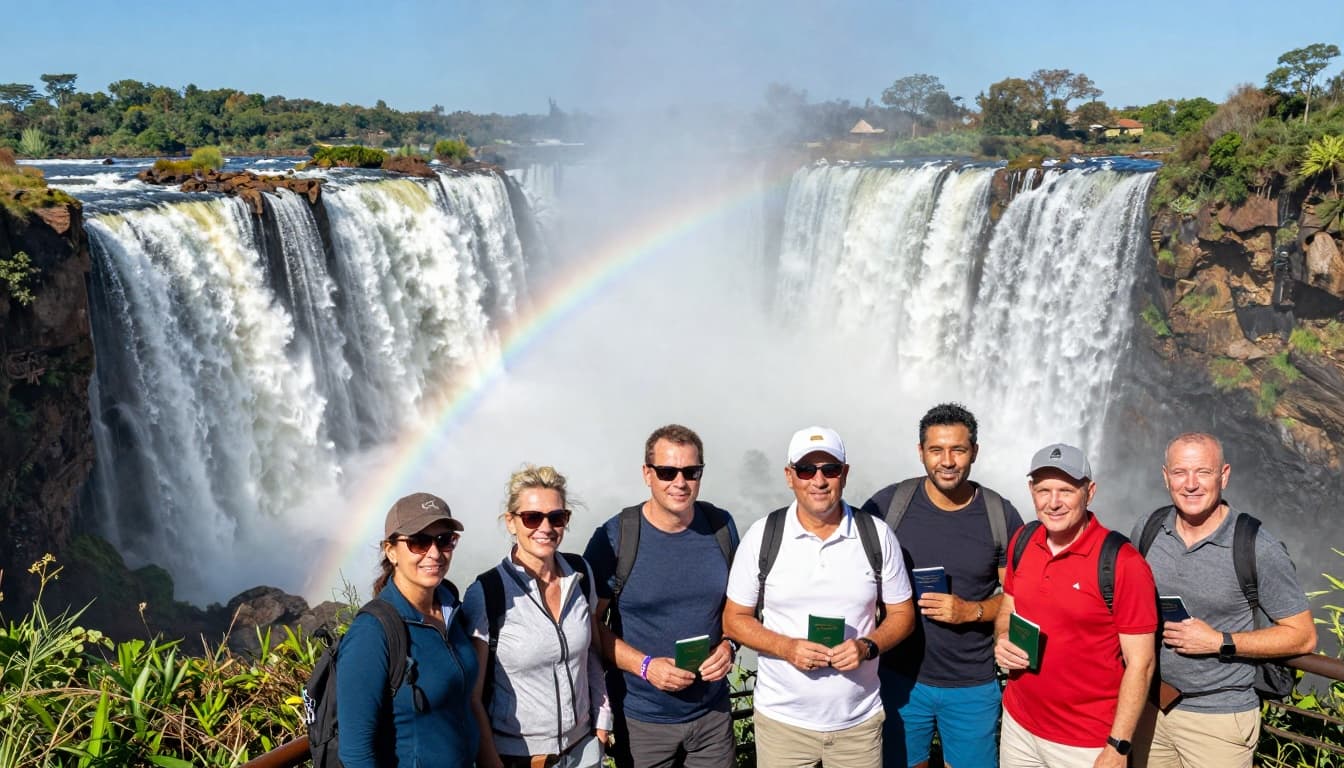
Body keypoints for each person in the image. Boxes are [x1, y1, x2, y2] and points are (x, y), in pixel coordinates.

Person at [723, 426, 915, 768]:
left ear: (845, 473)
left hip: (858, 724)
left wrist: (866, 647)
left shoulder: (876, 535)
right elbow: (734, 619)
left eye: (830, 469)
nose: (819, 480)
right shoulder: (763, 536)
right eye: (806, 470)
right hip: (782, 725)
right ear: (789, 476)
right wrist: (786, 647)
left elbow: (903, 615)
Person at [1129, 433, 1316, 768]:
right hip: (1150, 709)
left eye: (1203, 472)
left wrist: (1220, 641)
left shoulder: (1256, 546)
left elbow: (1303, 635)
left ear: (1224, 475)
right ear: (1165, 476)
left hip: (1218, 720)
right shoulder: (1149, 529)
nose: (1190, 484)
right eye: (1179, 472)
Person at [861, 403, 1023, 768]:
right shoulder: (887, 507)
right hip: (898, 678)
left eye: (958, 450)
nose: (947, 461)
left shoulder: (1000, 515)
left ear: (975, 452)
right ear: (921, 452)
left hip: (972, 683)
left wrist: (972, 611)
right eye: (936, 450)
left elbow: (1017, 596)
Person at [583, 424, 739, 768]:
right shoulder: (615, 538)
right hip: (643, 720)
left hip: (713, 717)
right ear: (647, 474)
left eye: (691, 472)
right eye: (667, 472)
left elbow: (738, 608)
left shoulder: (721, 527)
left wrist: (729, 645)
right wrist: (645, 666)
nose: (679, 482)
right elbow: (588, 625)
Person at [994, 443, 1156, 768]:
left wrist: (1118, 746)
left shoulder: (1123, 563)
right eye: (1044, 490)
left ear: (1089, 492)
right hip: (1018, 725)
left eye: (1066, 490)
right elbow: (1008, 608)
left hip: (1086, 742)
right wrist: (1002, 638)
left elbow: (1142, 663)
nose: (1053, 503)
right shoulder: (1023, 541)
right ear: (1031, 491)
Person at [464, 465, 613, 768]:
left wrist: (602, 723)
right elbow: (473, 697)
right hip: (519, 757)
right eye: (532, 517)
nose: (545, 528)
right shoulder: (487, 592)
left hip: (584, 750)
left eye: (556, 517)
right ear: (511, 522)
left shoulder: (581, 574)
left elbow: (591, 655)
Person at [336, 492, 479, 767]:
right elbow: (355, 753)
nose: (434, 553)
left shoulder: (451, 608)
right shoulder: (372, 632)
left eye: (444, 540)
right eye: (419, 542)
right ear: (391, 551)